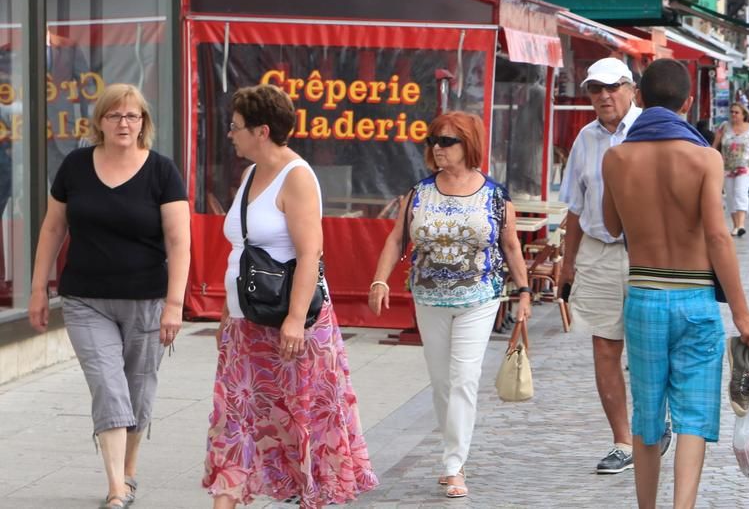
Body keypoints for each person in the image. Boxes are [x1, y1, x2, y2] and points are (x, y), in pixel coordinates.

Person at [601, 58, 749, 509]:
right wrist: (742, 310)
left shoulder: (616, 157)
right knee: (693, 416)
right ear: (688, 102)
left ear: (639, 98)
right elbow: (717, 235)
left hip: (644, 296)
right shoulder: (705, 158)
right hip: (695, 298)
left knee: (648, 416)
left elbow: (612, 226)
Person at [204, 84, 377, 508]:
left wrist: (296, 319)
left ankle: (309, 498)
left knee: (302, 423)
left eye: (236, 126)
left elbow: (309, 252)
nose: (231, 134)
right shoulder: (248, 176)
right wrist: (229, 310)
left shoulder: (297, 177)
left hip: (291, 324)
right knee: (235, 423)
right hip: (248, 323)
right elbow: (242, 251)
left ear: (262, 131)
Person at [28, 83, 190, 509]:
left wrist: (175, 304)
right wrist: (37, 289)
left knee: (138, 389)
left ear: (144, 123)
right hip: (85, 298)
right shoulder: (75, 166)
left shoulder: (161, 171)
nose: (124, 123)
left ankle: (130, 469)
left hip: (146, 298)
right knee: (108, 385)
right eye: (115, 115)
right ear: (99, 122)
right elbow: (51, 228)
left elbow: (179, 242)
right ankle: (116, 486)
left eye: (133, 116)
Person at [368, 110, 532, 499]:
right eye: (433, 141)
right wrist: (379, 279)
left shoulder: (495, 194)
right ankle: (452, 452)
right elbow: (396, 239)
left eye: (446, 141)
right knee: (442, 382)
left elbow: (510, 245)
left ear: (468, 145)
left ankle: (453, 465)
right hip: (428, 297)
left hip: (480, 297)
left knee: (463, 378)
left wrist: (524, 292)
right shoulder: (419, 192)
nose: (437, 148)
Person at [560, 57, 671, 473]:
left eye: (611, 87)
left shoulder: (652, 130)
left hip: (648, 252)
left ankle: (655, 423)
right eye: (594, 89)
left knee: (650, 344)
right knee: (605, 347)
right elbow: (574, 206)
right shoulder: (584, 138)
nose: (603, 96)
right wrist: (567, 265)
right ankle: (623, 441)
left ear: (630, 88)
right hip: (599, 251)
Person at [711, 103, 749, 236]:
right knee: (730, 195)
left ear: (743, 115)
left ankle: (741, 224)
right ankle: (735, 225)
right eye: (732, 112)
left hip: (745, 166)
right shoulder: (724, 127)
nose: (733, 115)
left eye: (736, 112)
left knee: (740, 192)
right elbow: (715, 145)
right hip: (727, 166)